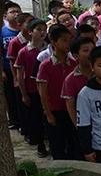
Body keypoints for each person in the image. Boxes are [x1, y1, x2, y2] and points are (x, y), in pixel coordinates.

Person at [36, 24, 80, 160]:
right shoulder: (46, 65)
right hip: (55, 110)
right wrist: (48, 113)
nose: (68, 44)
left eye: (69, 40)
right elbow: (42, 92)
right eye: (64, 40)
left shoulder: (73, 64)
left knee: (73, 143)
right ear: (54, 42)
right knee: (57, 145)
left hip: (70, 110)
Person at [14, 19, 49, 157]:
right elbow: (20, 75)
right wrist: (24, 94)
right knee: (36, 119)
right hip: (33, 91)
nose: (42, 32)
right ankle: (40, 144)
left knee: (48, 117)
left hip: (47, 91)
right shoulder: (24, 52)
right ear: (30, 32)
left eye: (44, 29)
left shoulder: (49, 49)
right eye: (38, 29)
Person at [7, 12, 33, 134]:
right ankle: (26, 130)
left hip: (31, 78)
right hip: (21, 78)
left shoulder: (34, 38)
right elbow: (13, 63)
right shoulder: (15, 42)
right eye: (28, 22)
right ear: (20, 25)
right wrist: (16, 79)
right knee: (23, 107)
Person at [61, 37, 95, 128]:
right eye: (86, 50)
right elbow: (71, 106)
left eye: (93, 50)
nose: (91, 54)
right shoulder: (70, 80)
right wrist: (78, 126)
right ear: (76, 56)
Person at [3, 1, 23, 130]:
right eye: (12, 12)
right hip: (8, 70)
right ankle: (14, 120)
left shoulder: (24, 31)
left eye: (17, 11)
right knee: (11, 97)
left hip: (23, 70)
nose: (15, 14)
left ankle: (23, 121)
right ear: (5, 16)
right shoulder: (3, 32)